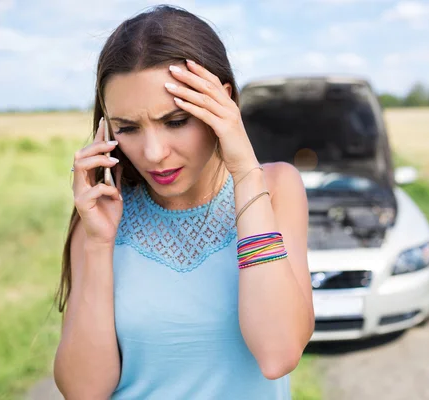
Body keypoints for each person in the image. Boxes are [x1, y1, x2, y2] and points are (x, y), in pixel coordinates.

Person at [53, 5, 313, 399]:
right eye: (128, 128)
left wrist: (245, 173)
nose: (154, 152)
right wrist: (99, 243)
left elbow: (278, 353)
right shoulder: (103, 215)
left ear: (221, 103)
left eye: (175, 121)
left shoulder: (275, 188)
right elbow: (83, 392)